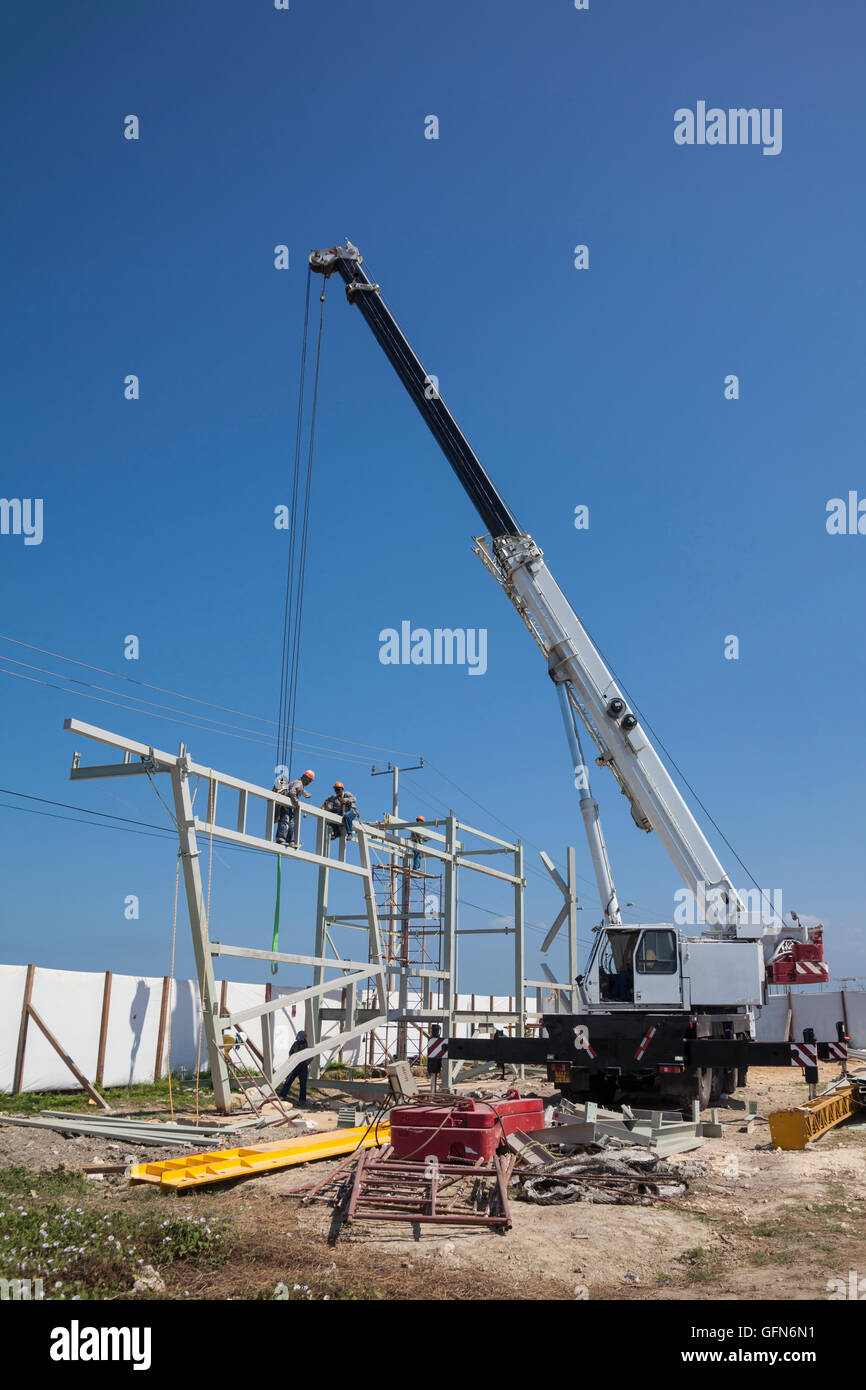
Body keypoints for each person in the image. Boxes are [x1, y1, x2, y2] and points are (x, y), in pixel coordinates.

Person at [273, 769, 315, 847]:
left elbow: (300, 789)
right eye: (309, 781)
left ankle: (290, 841)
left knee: (291, 823)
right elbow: (292, 792)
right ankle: (281, 839)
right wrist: (296, 803)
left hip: (288, 806)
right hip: (285, 805)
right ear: (307, 779)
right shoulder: (299, 783)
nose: (309, 783)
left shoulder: (299, 783)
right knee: (285, 820)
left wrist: (306, 794)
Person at [279, 1030, 310, 1104]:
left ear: (303, 1039)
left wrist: (305, 1062)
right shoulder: (295, 1044)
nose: (299, 1041)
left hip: (303, 1067)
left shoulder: (308, 1046)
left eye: (300, 1040)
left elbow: (311, 1056)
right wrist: (292, 1059)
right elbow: (290, 1052)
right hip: (294, 1066)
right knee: (288, 1081)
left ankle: (302, 1100)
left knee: (303, 1084)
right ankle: (282, 1096)